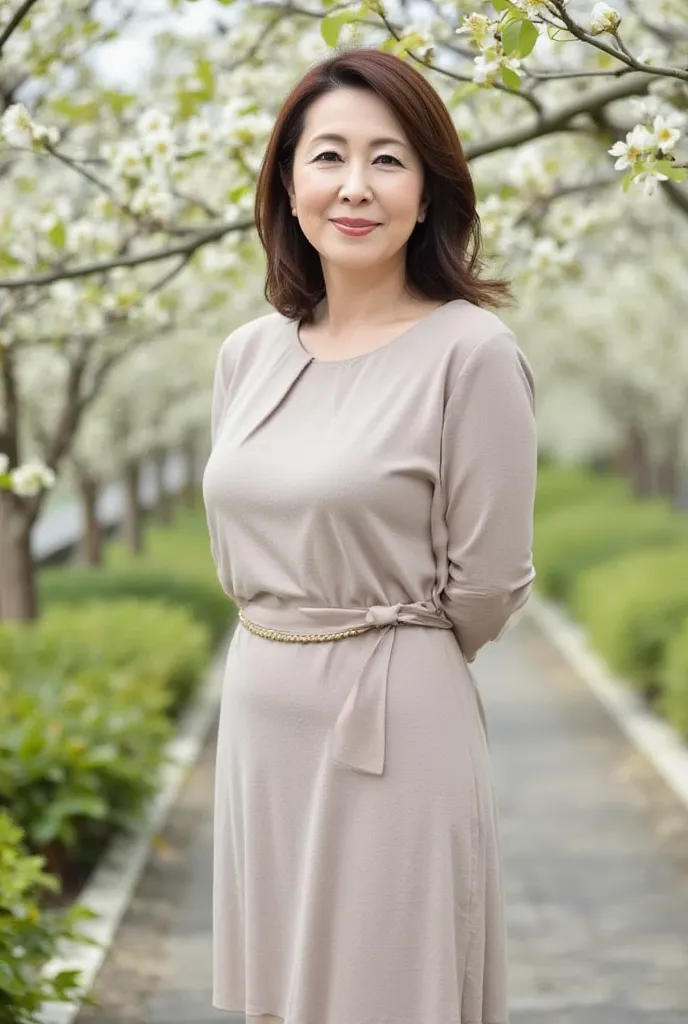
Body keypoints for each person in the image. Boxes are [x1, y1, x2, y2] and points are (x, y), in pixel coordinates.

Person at [202, 45, 537, 1024]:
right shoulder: (245, 356)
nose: (355, 186)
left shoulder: (471, 354)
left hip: (393, 724)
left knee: (393, 995)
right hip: (260, 722)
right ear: (287, 184)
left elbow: (487, 583)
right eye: (328, 157)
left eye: (388, 160)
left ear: (430, 193)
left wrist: (386, 649)